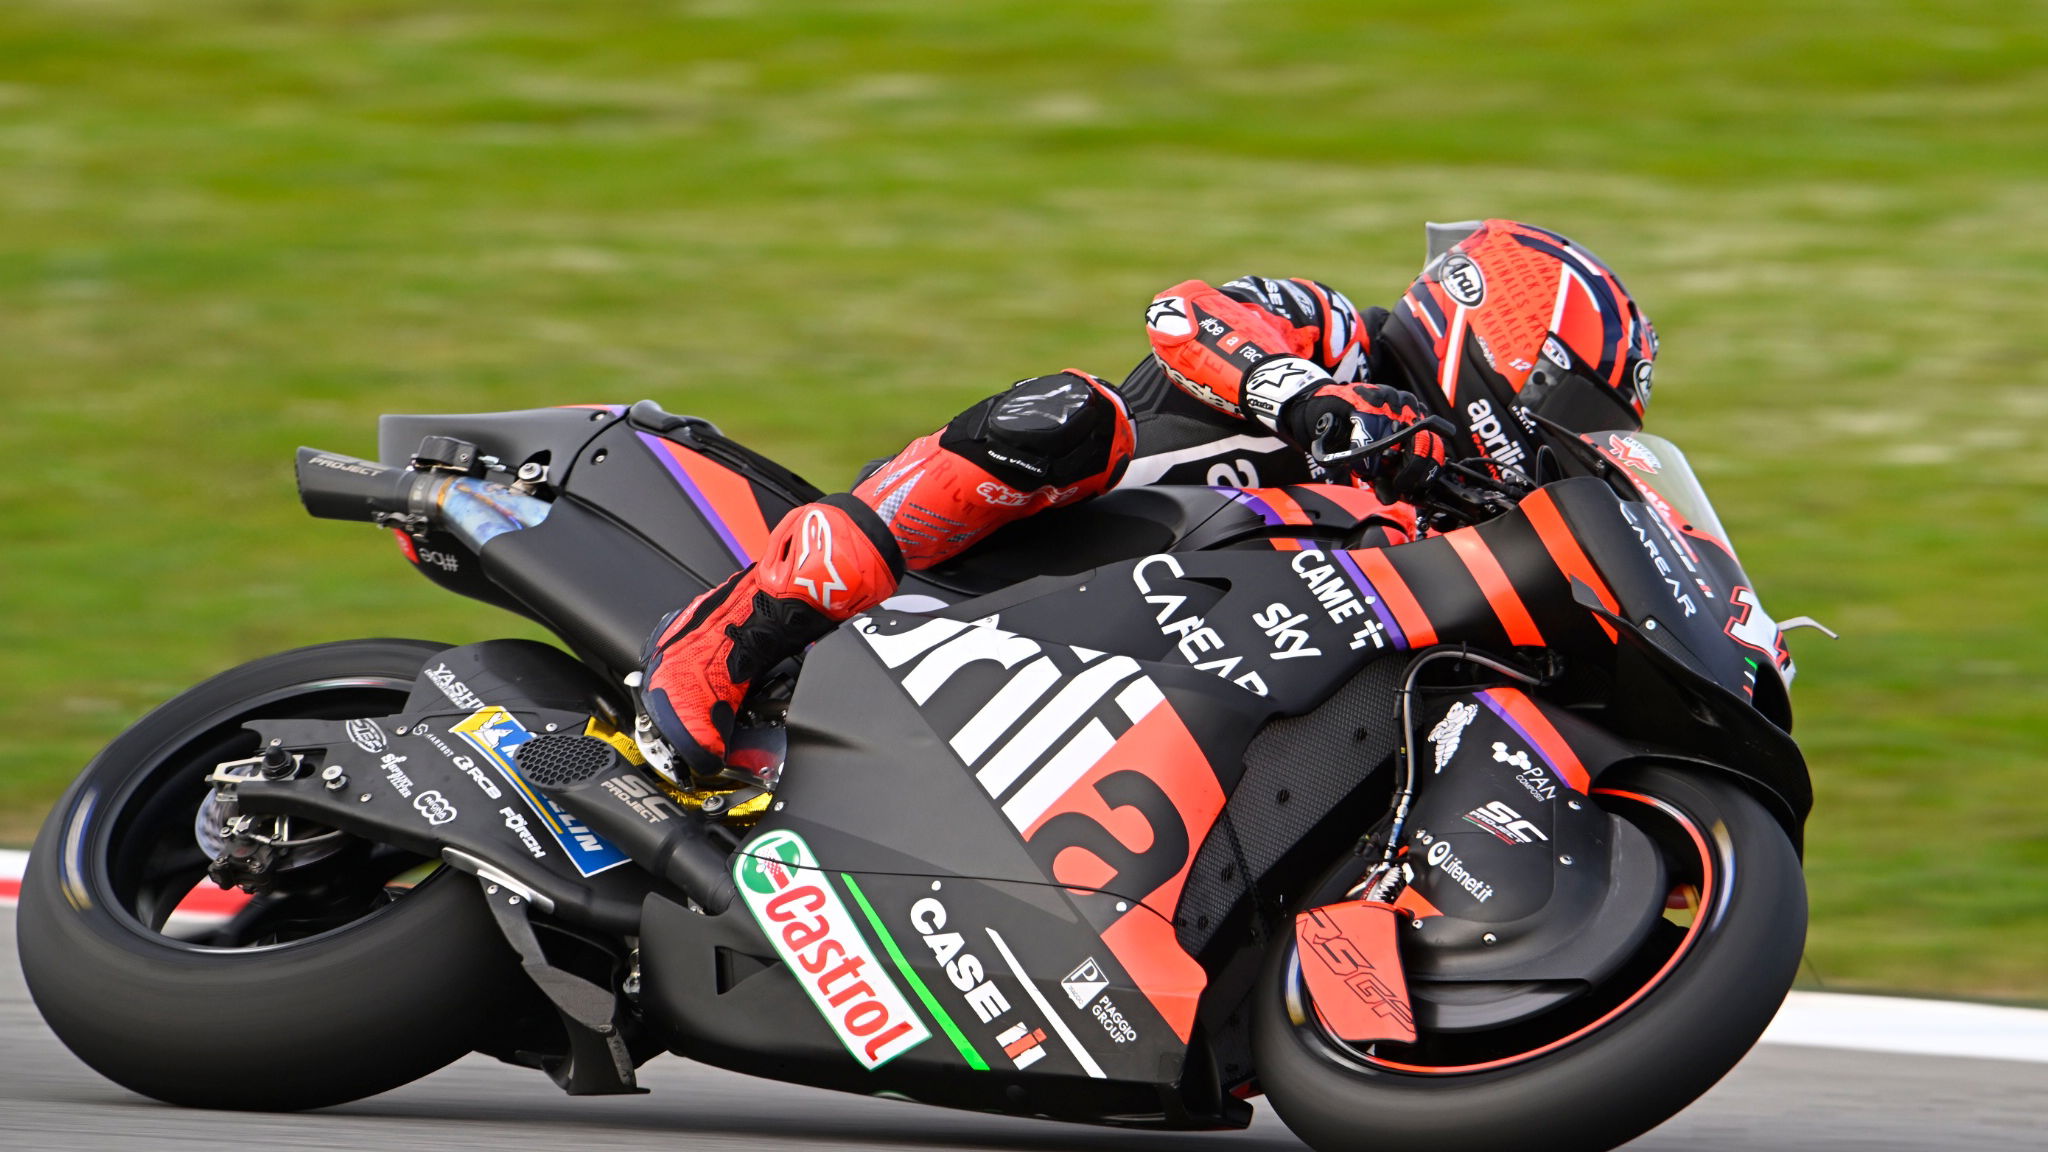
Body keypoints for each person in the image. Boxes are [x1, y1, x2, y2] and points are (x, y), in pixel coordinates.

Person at [635, 219, 1658, 783]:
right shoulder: (1337, 332)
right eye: (1564, 404)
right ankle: (729, 632)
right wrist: (1300, 397)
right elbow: (1183, 315)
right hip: (1038, 548)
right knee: (1070, 414)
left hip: (1155, 670)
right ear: (1502, 337)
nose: (1560, 437)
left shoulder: (1453, 505)